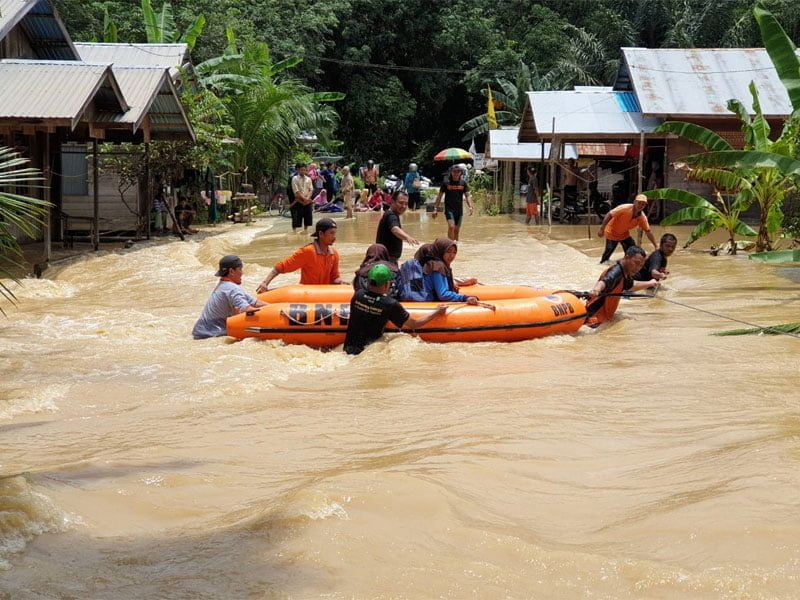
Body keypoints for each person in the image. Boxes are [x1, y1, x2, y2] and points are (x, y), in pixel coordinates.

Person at [343, 264, 447, 355]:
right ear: (386, 284)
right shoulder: (390, 304)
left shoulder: (358, 295)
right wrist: (437, 311)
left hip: (347, 348)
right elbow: (414, 324)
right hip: (367, 351)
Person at [256, 218, 345, 292]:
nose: (334, 237)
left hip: (324, 294)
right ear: (321, 234)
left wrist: (344, 283)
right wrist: (265, 283)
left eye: (335, 233)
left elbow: (335, 277)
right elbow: (280, 267)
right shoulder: (308, 252)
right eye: (331, 233)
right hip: (307, 294)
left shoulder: (334, 254)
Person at [192, 255, 267, 339]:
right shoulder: (232, 289)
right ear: (231, 271)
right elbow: (248, 310)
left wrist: (276, 306)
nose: (242, 273)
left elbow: (255, 302)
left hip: (200, 330)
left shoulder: (224, 285)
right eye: (240, 269)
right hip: (209, 333)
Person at [584, 246, 659, 328]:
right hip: (594, 321)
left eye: (641, 266)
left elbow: (631, 286)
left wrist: (650, 283)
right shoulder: (616, 272)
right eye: (636, 263)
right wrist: (596, 289)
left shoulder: (624, 273)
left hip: (602, 319)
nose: (637, 268)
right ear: (627, 258)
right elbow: (605, 281)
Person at [597, 193, 658, 263]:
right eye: (639, 203)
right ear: (634, 202)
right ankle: (601, 266)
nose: (640, 206)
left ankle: (627, 264)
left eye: (643, 204)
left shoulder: (642, 217)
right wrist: (602, 229)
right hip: (611, 232)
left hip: (624, 234)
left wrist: (655, 246)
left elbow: (648, 231)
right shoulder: (625, 208)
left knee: (634, 252)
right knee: (607, 254)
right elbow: (609, 214)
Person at [422, 238, 479, 304]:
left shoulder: (437, 264)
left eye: (454, 252)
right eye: (448, 252)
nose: (452, 256)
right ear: (441, 251)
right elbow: (443, 294)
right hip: (429, 302)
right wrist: (464, 298)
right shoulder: (437, 267)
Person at [375, 190, 419, 263]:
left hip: (386, 259)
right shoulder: (391, 215)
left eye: (406, 204)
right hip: (387, 260)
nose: (404, 206)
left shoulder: (391, 214)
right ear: (392, 201)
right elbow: (395, 229)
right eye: (401, 203)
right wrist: (407, 237)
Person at [433, 165, 474, 241]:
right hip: (449, 209)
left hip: (459, 209)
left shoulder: (463, 183)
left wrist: (470, 206)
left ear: (461, 173)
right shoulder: (446, 182)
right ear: (451, 172)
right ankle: (449, 245)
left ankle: (455, 247)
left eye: (458, 171)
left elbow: (467, 195)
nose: (456, 173)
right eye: (454, 171)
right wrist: (435, 208)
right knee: (451, 227)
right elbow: (439, 196)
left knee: (457, 230)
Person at [290, 162, 314, 234]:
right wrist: (304, 199)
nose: (303, 171)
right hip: (298, 201)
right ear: (298, 170)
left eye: (304, 170)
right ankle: (294, 232)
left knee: (308, 217)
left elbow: (311, 189)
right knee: (296, 218)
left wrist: (307, 198)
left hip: (307, 200)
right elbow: (296, 191)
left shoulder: (308, 179)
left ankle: (306, 230)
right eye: (301, 170)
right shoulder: (294, 178)